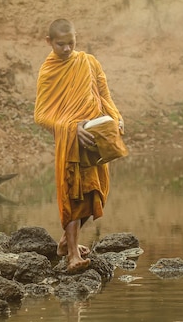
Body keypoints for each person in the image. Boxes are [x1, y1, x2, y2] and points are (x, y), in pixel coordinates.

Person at [34, 18, 124, 273]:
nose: (66, 49)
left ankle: (65, 243)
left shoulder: (88, 61)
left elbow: (104, 95)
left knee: (97, 192)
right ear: (49, 42)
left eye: (70, 43)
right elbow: (40, 115)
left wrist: (116, 118)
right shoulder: (48, 70)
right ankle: (73, 254)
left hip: (95, 136)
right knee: (74, 194)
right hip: (70, 140)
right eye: (60, 44)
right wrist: (72, 128)